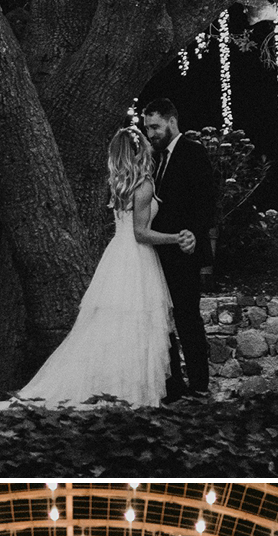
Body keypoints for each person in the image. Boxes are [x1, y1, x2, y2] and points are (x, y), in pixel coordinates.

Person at [15, 128, 192, 409]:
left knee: (114, 325)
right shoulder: (143, 185)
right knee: (137, 324)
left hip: (117, 255)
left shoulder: (120, 183)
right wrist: (175, 237)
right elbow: (141, 233)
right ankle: (133, 392)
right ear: (140, 150)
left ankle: (116, 387)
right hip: (137, 257)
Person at [142, 99, 217, 401]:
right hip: (158, 252)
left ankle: (198, 385)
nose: (151, 133)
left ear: (172, 121)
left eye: (155, 126)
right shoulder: (153, 158)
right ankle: (172, 385)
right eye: (147, 128)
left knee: (187, 317)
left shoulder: (192, 152)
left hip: (184, 251)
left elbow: (206, 202)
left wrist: (194, 235)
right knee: (161, 320)